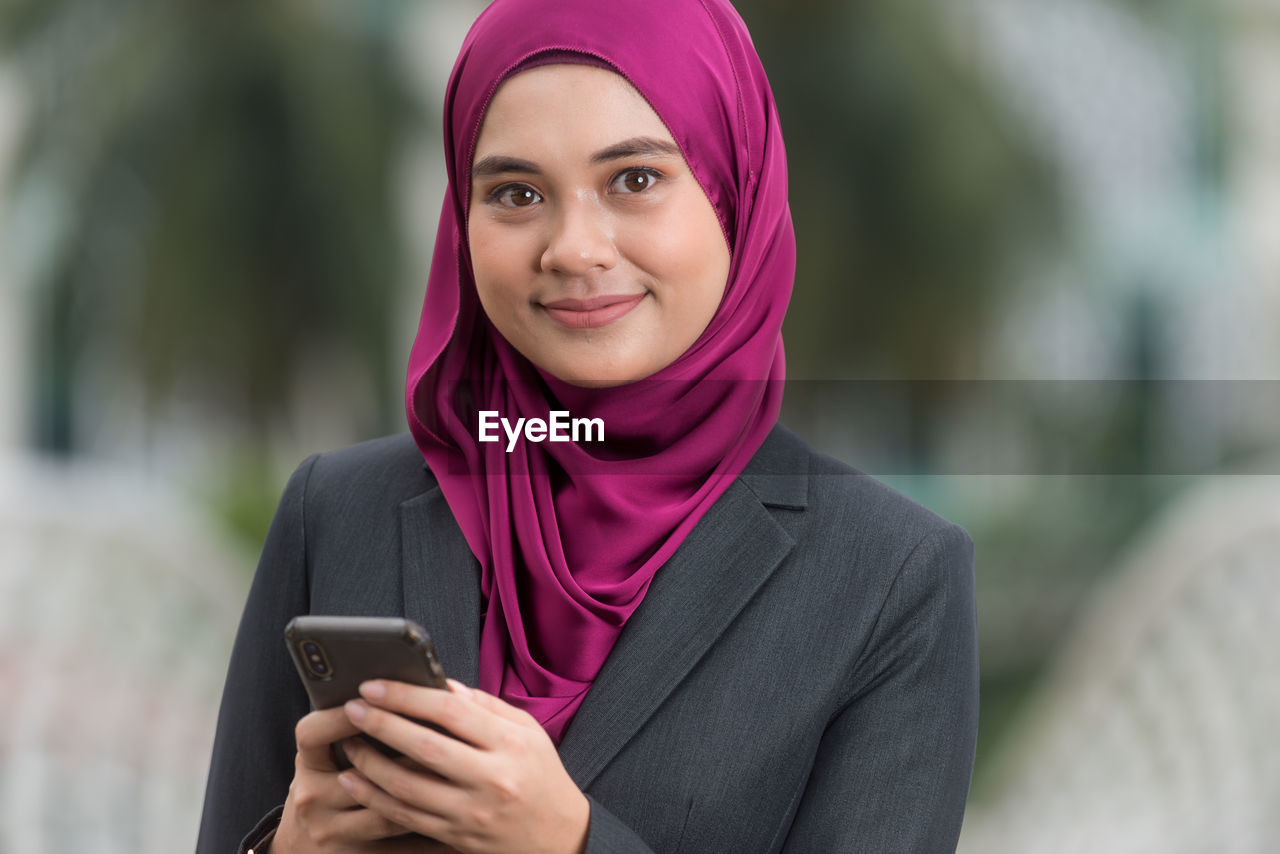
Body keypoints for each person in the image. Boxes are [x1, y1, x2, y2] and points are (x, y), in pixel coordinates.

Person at [196, 0, 979, 851]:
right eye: (516, 193)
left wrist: (570, 841)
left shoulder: (890, 579)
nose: (572, 249)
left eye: (634, 180)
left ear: (735, 193)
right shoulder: (335, 512)